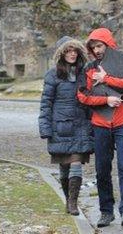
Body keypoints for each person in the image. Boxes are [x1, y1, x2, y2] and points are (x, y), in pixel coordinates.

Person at [76, 28, 123, 228]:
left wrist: (106, 79)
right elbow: (82, 96)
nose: (97, 50)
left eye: (99, 45)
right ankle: (106, 211)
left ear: (108, 44)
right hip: (101, 123)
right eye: (93, 47)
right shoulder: (88, 69)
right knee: (102, 169)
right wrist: (106, 99)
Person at [38, 36, 93, 216]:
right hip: (60, 126)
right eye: (68, 51)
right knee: (64, 168)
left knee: (76, 162)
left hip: (80, 124)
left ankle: (73, 203)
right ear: (61, 53)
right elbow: (46, 103)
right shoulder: (52, 75)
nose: (72, 54)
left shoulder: (84, 73)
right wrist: (45, 128)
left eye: (75, 51)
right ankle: (67, 198)